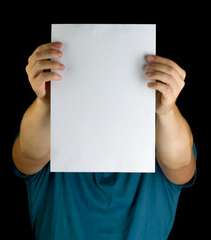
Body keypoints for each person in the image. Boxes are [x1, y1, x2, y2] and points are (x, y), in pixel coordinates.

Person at [12, 42, 197, 240]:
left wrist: (167, 110)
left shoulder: (161, 134)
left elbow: (182, 166)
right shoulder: (50, 128)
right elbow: (28, 156)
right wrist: (46, 102)